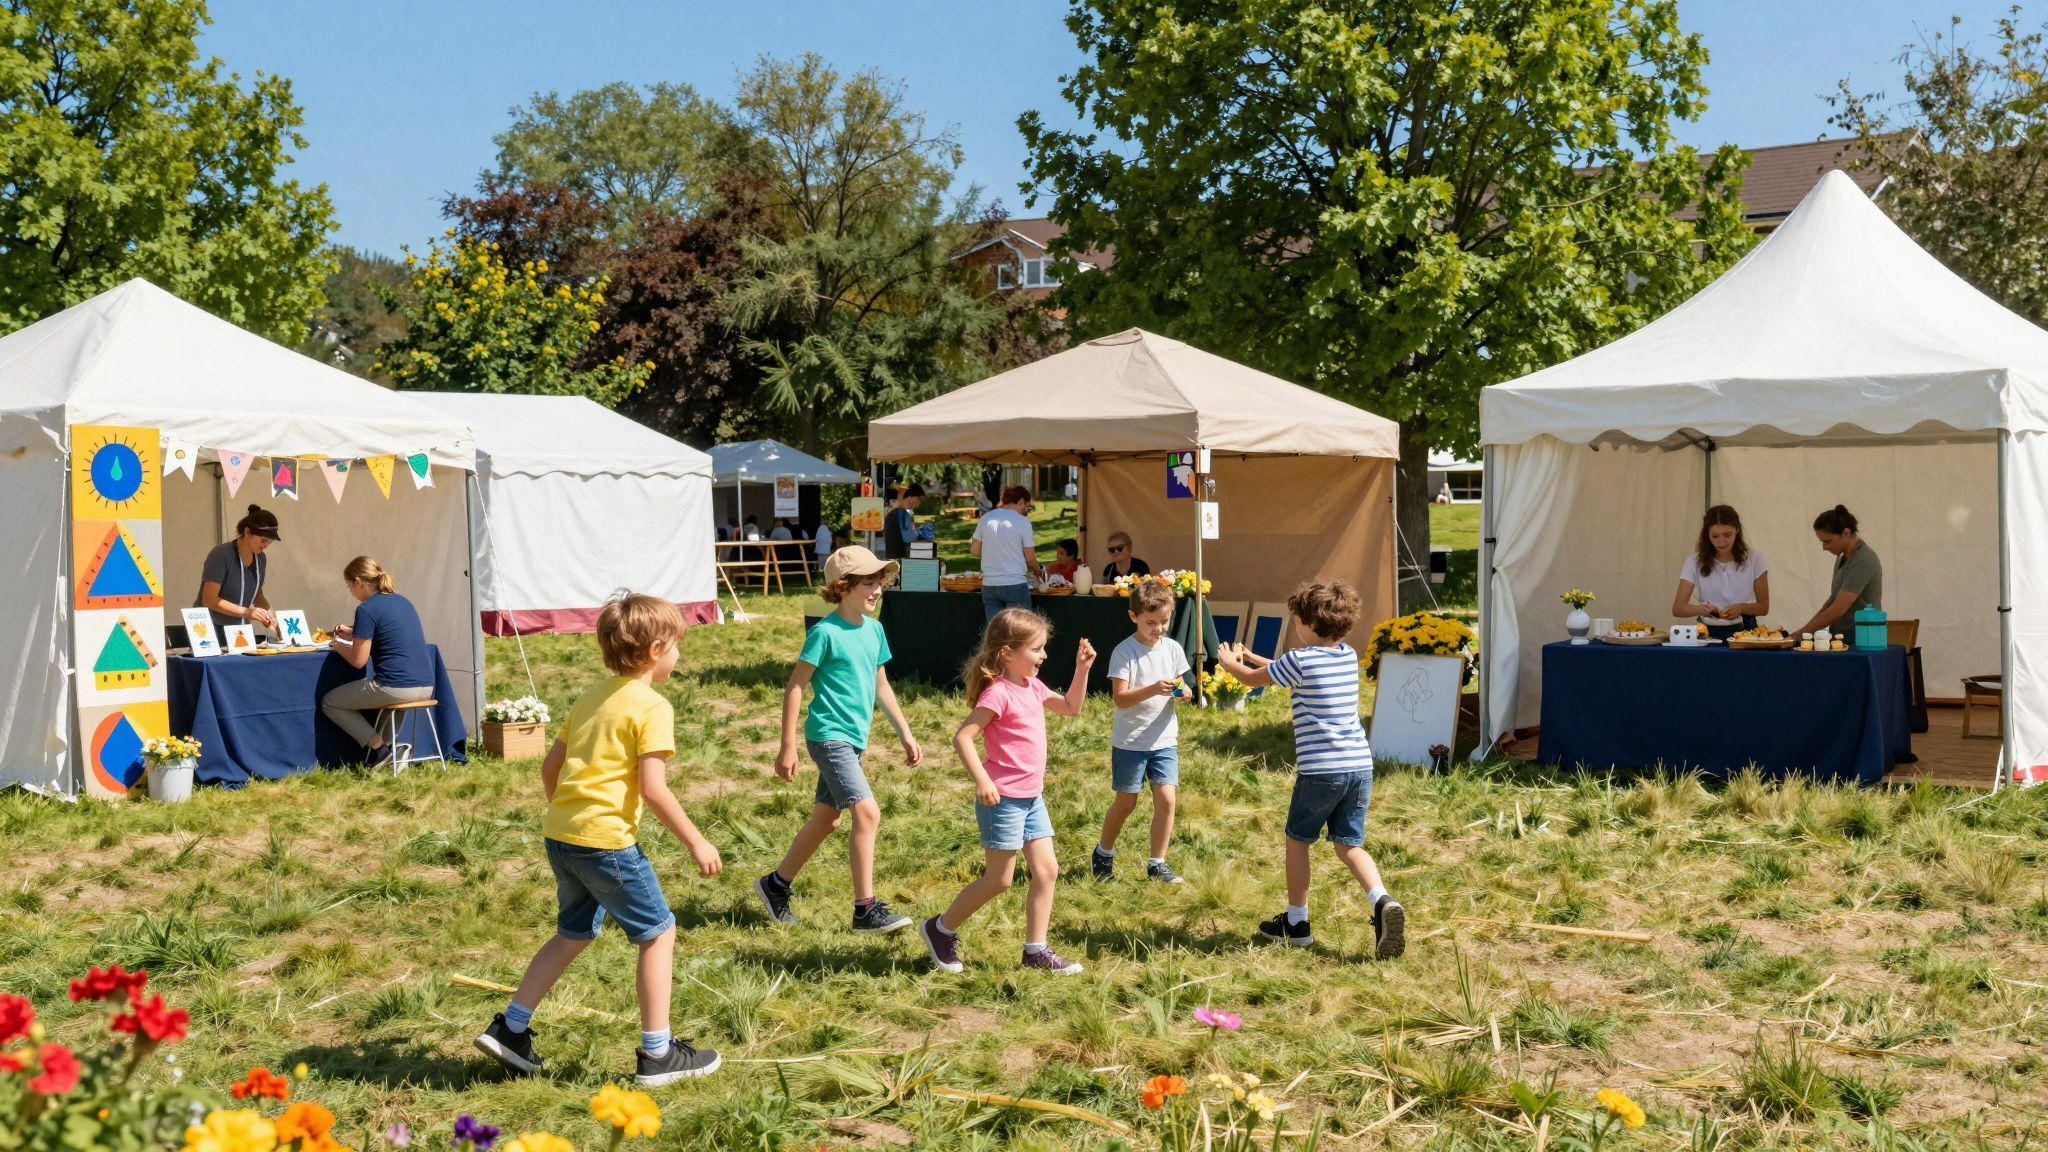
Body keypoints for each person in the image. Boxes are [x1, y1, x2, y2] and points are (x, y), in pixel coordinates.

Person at [474, 593, 724, 1086]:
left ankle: (511, 1028)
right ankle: (658, 1055)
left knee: (573, 932)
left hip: (562, 835)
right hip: (606, 844)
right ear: (655, 649)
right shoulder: (652, 706)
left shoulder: (590, 696)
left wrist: (569, 816)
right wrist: (697, 841)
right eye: (677, 645)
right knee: (658, 932)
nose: (679, 655)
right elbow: (653, 789)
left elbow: (551, 767)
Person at [1215, 579, 1406, 960]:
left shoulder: (1299, 659)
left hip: (1321, 771)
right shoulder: (1346, 655)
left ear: (1308, 624)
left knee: (1297, 840)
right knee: (1348, 845)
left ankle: (1297, 923)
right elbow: (1284, 672)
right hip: (1358, 768)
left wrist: (1230, 663)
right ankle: (1381, 900)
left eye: (1297, 618)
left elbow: (1257, 681)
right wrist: (1255, 658)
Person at [755, 547, 922, 934]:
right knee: (868, 814)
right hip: (829, 738)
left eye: (879, 581)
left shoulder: (875, 630)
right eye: (868, 582)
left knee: (827, 820)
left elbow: (881, 685)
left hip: (854, 740)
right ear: (842, 586)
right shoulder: (825, 633)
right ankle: (865, 909)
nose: (877, 589)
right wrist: (787, 744)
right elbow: (795, 686)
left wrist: (905, 732)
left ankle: (775, 885)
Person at [919, 609, 1094, 975]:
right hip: (1003, 800)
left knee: (1047, 871)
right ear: (1008, 653)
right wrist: (983, 780)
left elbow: (1071, 707)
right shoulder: (998, 694)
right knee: (1000, 879)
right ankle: (940, 928)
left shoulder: (1033, 686)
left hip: (1032, 798)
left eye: (1044, 648)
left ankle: (1035, 950)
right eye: (1036, 649)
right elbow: (963, 738)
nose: (1043, 656)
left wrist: (1082, 669)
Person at [1092, 580, 1190, 884]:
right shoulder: (1125, 652)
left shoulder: (1173, 648)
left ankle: (1157, 863)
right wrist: (1151, 689)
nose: (1159, 628)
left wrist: (1183, 691)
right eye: (1151, 622)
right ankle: (1103, 852)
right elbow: (1120, 698)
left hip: (1163, 740)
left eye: (1164, 621)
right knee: (1126, 802)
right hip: (1131, 742)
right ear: (1133, 617)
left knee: (1167, 800)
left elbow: (1180, 684)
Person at [321, 557, 435, 768]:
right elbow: (385, 632)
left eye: (349, 586)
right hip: (426, 686)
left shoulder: (366, 609)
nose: (351, 592)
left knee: (330, 702)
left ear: (359, 581)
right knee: (393, 705)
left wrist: (336, 644)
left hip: (397, 688)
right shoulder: (402, 601)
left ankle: (379, 749)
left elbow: (358, 660)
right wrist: (351, 632)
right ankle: (390, 753)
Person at [1672, 504, 1770, 640]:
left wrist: (1741, 608)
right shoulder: (1694, 561)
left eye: (1727, 535)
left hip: (1745, 632)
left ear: (1737, 530)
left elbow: (1763, 607)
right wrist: (1703, 610)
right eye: (1715, 536)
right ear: (1707, 534)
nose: (1721, 542)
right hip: (1707, 632)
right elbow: (1678, 608)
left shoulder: (1754, 558)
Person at [1794, 504, 1883, 636]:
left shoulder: (1863, 560)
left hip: (1862, 641)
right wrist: (1804, 631)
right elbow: (1832, 601)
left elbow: (1838, 609)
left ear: (1846, 533)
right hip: (1842, 639)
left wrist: (1803, 632)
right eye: (1822, 542)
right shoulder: (1842, 557)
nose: (1824, 547)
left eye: (1828, 541)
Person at [195, 505, 281, 633]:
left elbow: (258, 595)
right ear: (247, 532)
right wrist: (246, 612)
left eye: (269, 542)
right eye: (263, 541)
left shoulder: (260, 558)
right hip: (208, 629)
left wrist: (272, 618)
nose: (265, 546)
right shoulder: (221, 555)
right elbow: (209, 599)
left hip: (239, 629)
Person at [971, 486, 1042, 621]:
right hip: (1014, 583)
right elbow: (1030, 558)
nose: (1027, 511)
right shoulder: (1023, 522)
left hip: (989, 584)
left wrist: (994, 552)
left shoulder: (986, 518)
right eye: (1027, 507)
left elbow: (974, 549)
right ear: (1021, 501)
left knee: (995, 632)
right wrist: (1038, 571)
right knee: (1022, 631)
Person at [883, 483, 924, 560]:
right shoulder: (903, 514)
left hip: (892, 557)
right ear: (911, 496)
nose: (919, 503)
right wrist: (921, 533)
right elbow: (909, 538)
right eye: (919, 499)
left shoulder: (895, 513)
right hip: (899, 559)